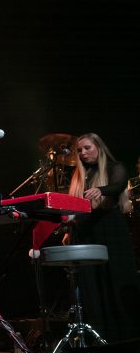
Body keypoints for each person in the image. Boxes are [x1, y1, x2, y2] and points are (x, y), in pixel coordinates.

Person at [63, 133, 140, 342]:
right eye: (80, 150)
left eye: (87, 148)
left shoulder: (115, 167)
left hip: (110, 229)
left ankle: (126, 338)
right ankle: (98, 337)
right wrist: (69, 229)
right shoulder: (79, 176)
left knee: (116, 278)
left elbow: (119, 185)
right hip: (85, 231)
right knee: (91, 285)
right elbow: (73, 208)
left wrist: (101, 190)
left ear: (99, 147)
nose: (83, 153)